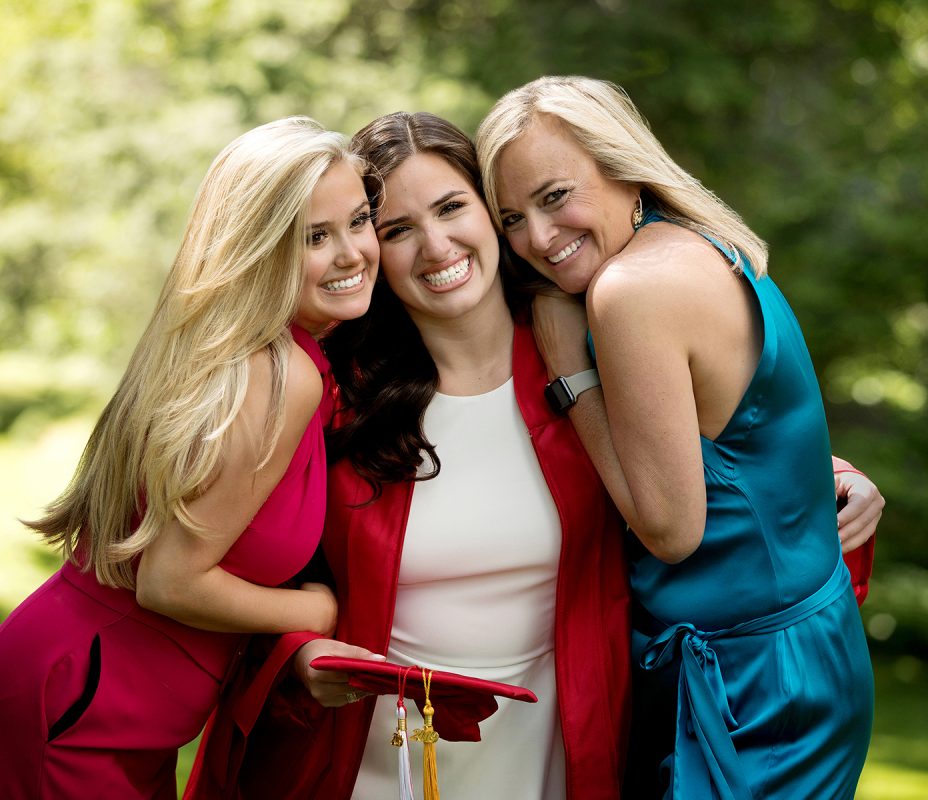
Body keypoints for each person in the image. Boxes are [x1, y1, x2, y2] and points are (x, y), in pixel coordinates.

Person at [187, 111, 882, 800]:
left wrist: (832, 477)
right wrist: (300, 654)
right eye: (397, 230)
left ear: (493, 217)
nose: (435, 246)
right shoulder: (334, 398)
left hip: (555, 759)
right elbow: (250, 571)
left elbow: (720, 455)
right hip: (370, 764)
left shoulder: (583, 371)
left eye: (453, 207)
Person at [477, 76, 877, 798]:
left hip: (754, 690)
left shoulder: (631, 290)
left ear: (624, 170)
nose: (538, 238)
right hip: (800, 654)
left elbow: (670, 528)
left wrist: (569, 372)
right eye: (511, 218)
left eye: (555, 196)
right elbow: (752, 443)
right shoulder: (700, 244)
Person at [0, 116, 381, 799]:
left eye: (358, 221)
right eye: (315, 237)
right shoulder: (274, 371)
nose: (353, 252)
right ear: (259, 249)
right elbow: (170, 582)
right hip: (84, 704)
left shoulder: (262, 352)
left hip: (112, 703)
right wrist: (313, 614)